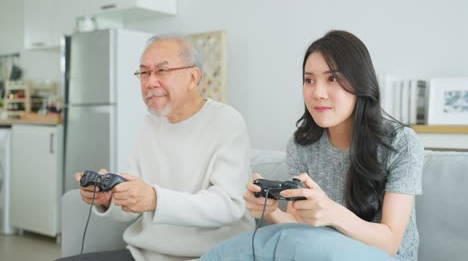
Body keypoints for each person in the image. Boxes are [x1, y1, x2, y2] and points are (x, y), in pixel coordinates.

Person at [201, 30, 424, 261]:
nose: (317, 93)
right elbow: (301, 228)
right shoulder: (302, 145)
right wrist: (273, 212)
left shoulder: (401, 142)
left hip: (386, 257)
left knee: (278, 241)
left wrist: (333, 213)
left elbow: (390, 243)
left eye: (333, 79)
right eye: (309, 80)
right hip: (317, 251)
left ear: (360, 84)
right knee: (277, 239)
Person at [58, 34, 255, 261]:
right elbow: (135, 200)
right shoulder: (149, 124)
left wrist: (155, 199)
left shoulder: (226, 121)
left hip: (210, 256)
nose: (150, 82)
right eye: (144, 72)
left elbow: (229, 205)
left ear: (193, 77)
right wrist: (109, 198)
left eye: (162, 71)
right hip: (144, 255)